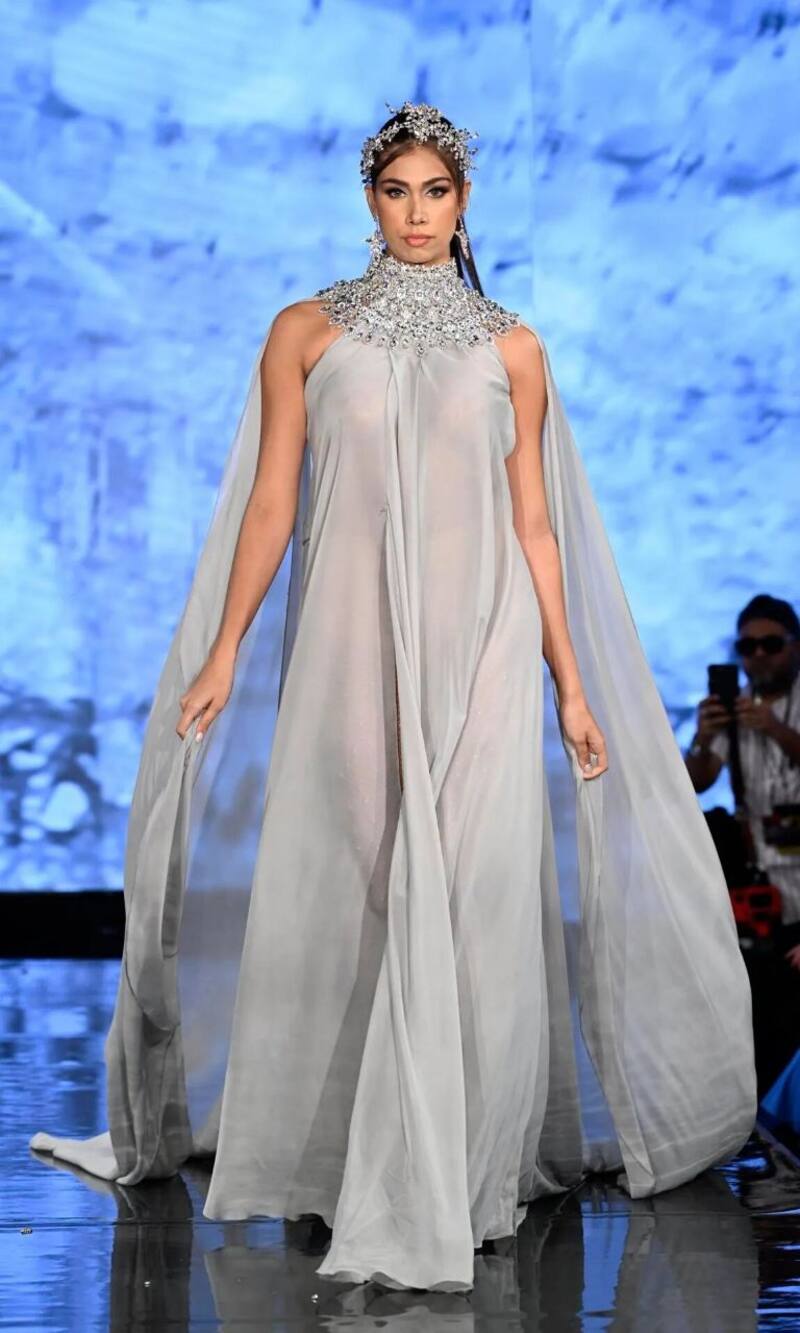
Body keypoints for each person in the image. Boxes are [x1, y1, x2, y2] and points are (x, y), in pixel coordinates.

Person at [32, 101, 757, 1293]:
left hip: (482, 643)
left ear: (462, 203)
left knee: (468, 896)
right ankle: (349, 1159)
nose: (417, 213)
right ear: (368, 201)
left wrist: (570, 683)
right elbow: (272, 504)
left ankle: (460, 1172)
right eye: (396, 190)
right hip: (352, 647)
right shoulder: (305, 333)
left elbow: (535, 527)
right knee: (365, 883)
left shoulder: (511, 349)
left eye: (436, 191)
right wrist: (221, 650)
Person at [686, 594, 800, 946]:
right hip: (759, 881)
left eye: (771, 644)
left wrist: (775, 729)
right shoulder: (735, 707)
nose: (759, 654)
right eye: (748, 646)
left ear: (795, 646)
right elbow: (699, 783)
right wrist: (703, 739)